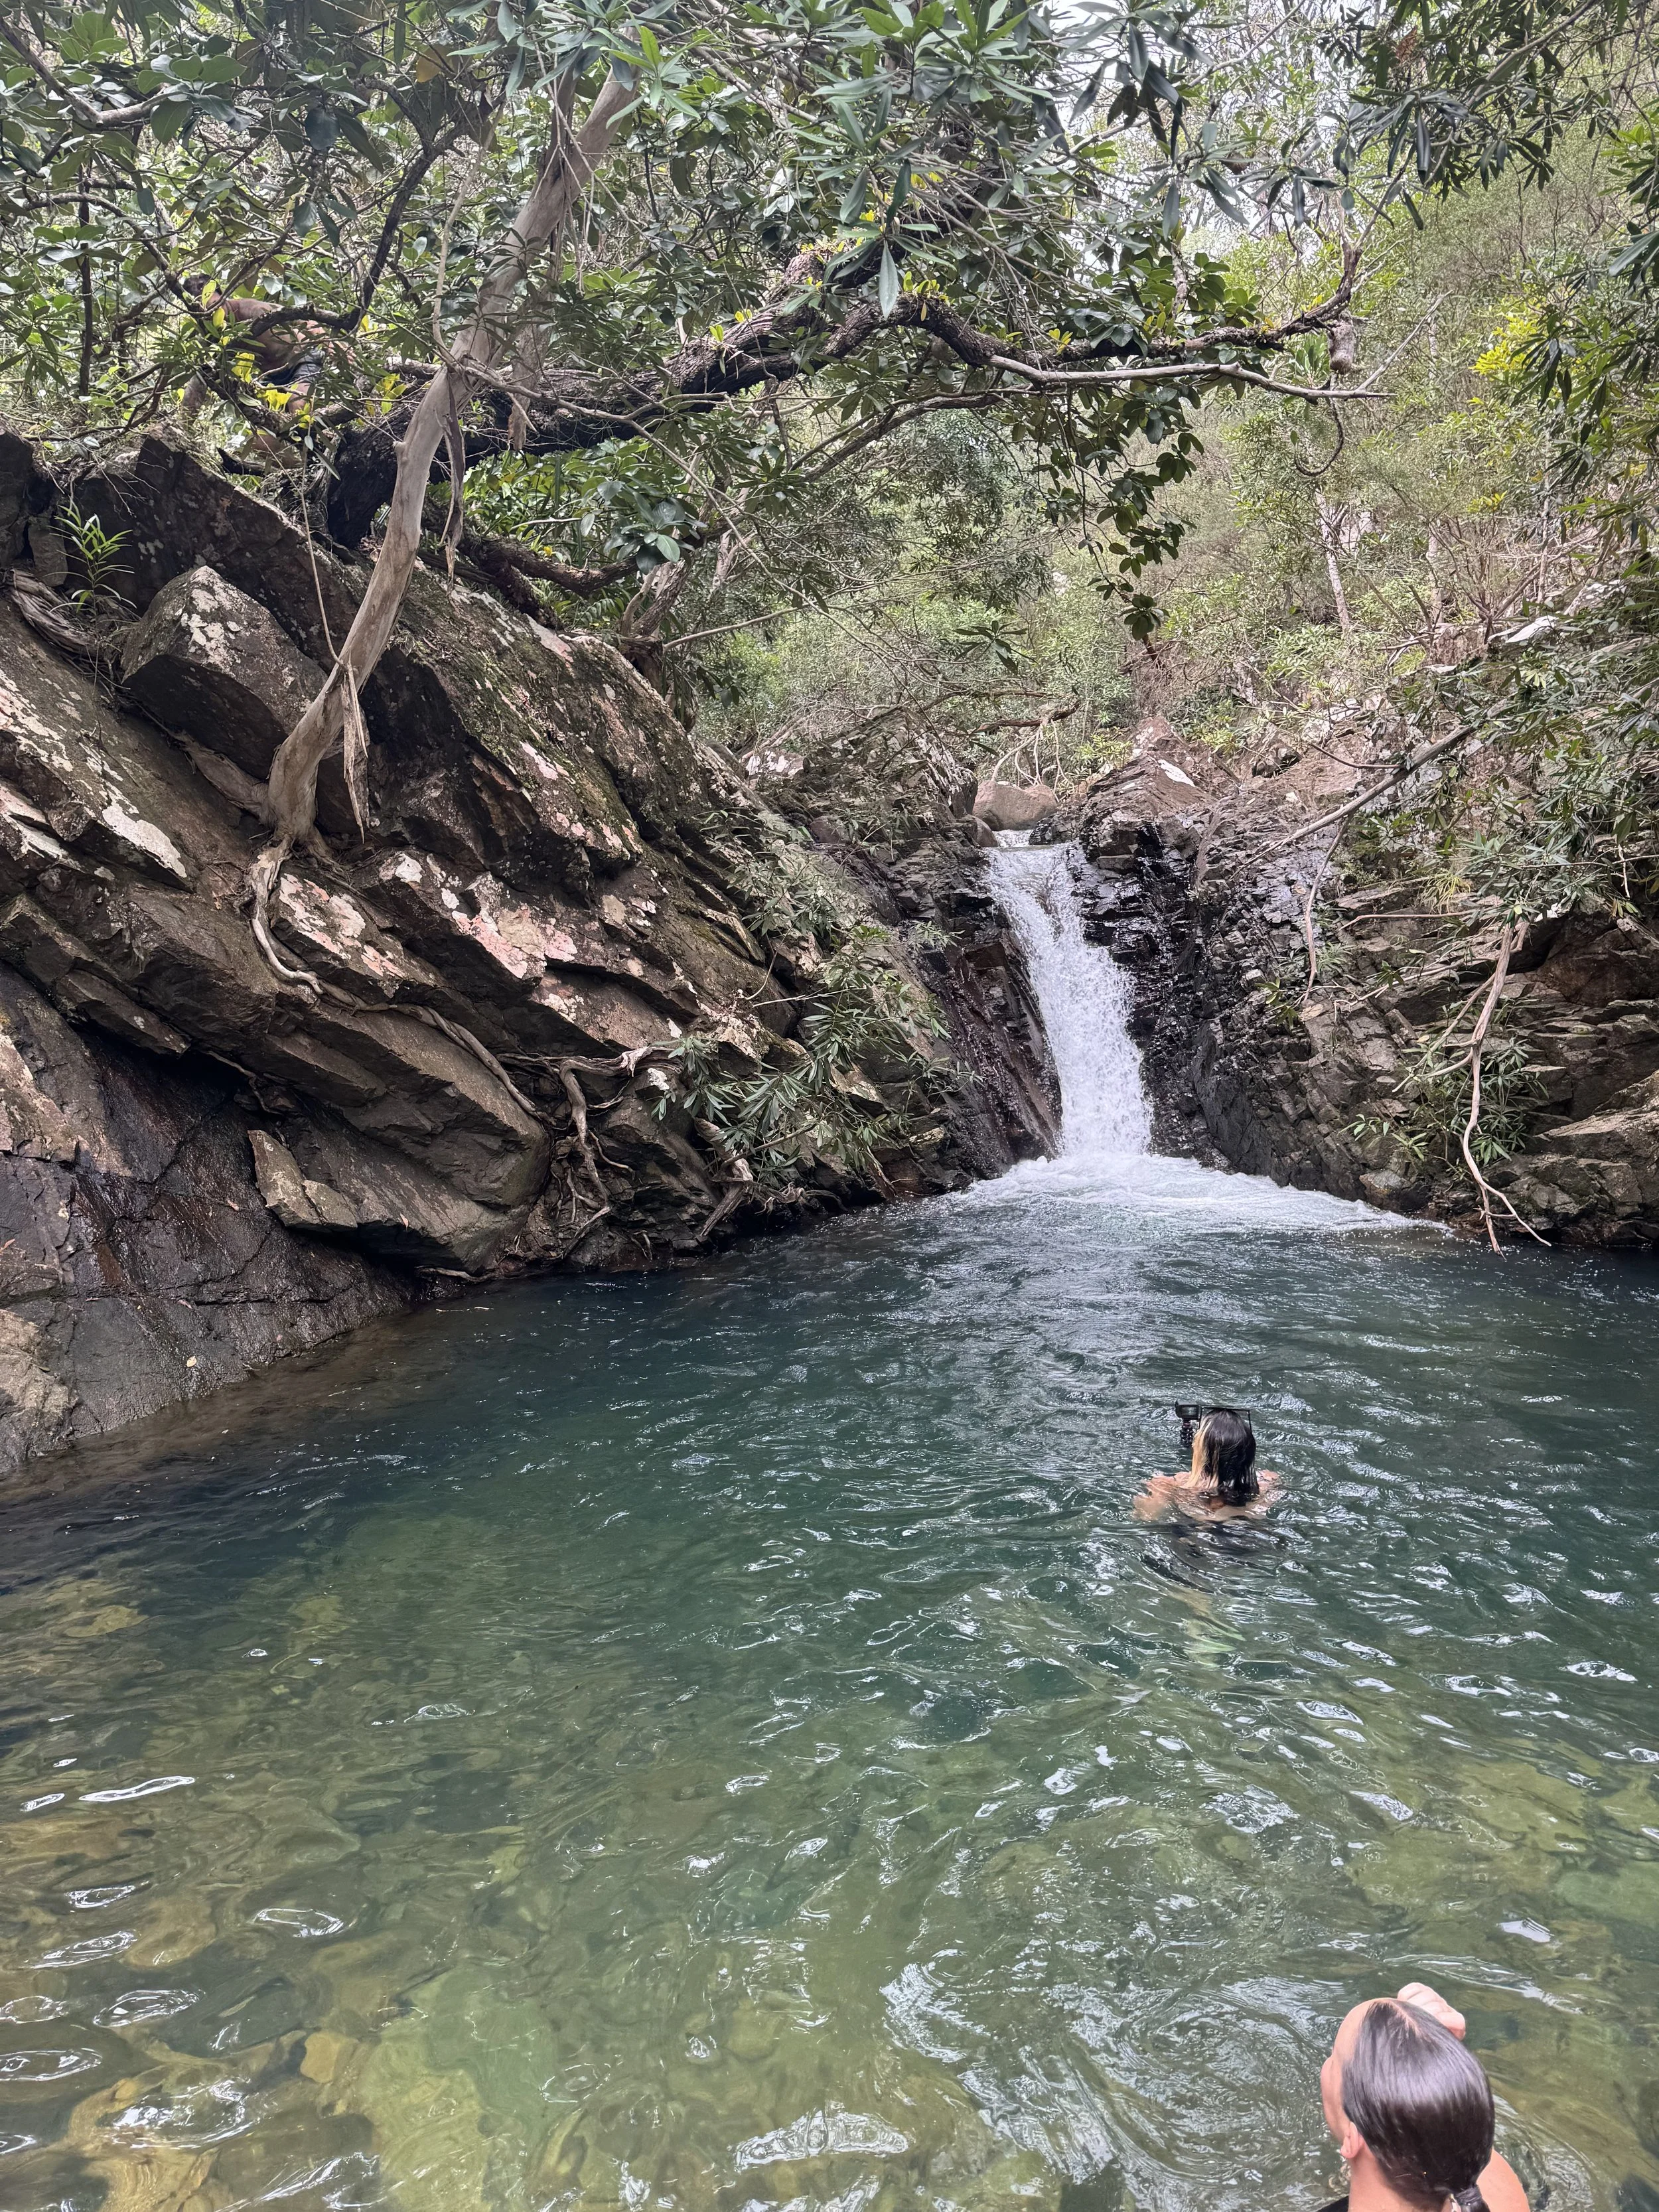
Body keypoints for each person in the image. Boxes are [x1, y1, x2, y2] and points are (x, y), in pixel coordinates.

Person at [1317, 1982, 1530, 2212]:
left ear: (1353, 2140)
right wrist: (1431, 2055)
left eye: (1333, 2058)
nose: (1327, 2065)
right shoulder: (1501, 2189)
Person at [1133, 1408, 1279, 1521]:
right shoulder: (1268, 1483)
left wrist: (1154, 1492)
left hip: (1195, 1544)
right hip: (1251, 1539)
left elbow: (1146, 1517)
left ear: (1202, 1452)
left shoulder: (1172, 1486)